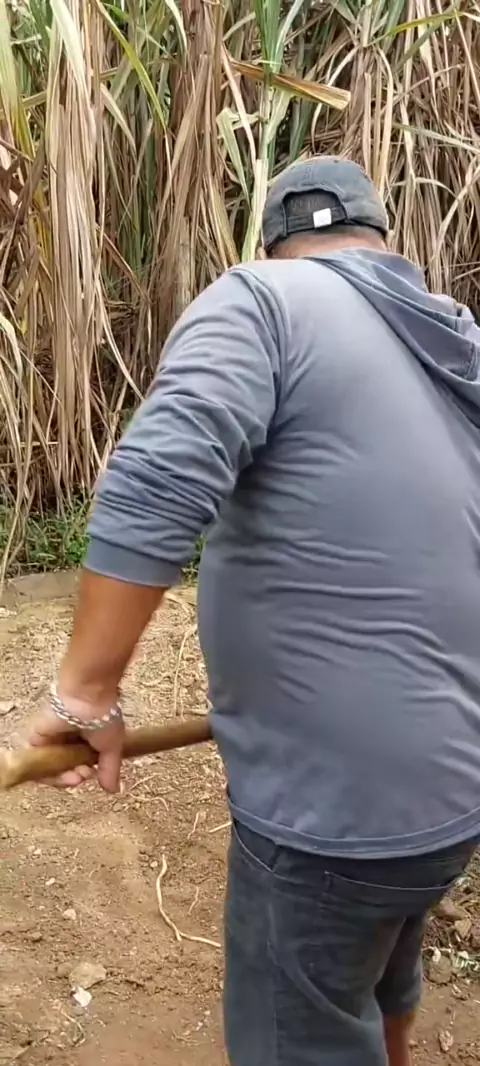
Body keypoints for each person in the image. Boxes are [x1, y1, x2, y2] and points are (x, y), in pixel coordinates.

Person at [25, 157, 480, 1066]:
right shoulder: (453, 344)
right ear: (380, 242)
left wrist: (85, 696)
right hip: (449, 793)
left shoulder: (264, 300)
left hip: (333, 810)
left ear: (274, 246)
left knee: (300, 1027)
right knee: (380, 970)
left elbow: (156, 483)